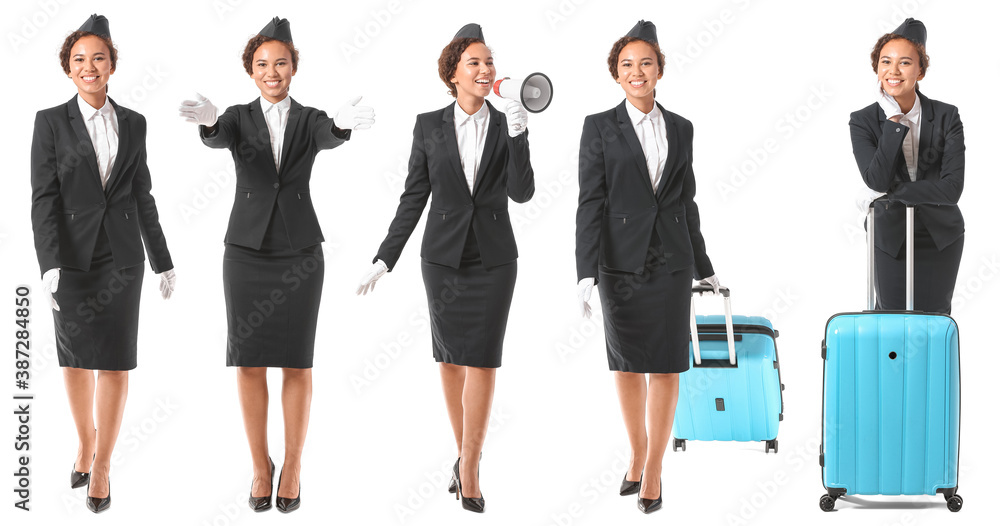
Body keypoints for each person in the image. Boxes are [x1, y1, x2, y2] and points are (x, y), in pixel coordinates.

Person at [177, 16, 374, 513]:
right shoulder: (239, 117)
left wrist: (343, 124)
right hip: (244, 252)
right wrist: (207, 121)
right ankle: (260, 465)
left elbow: (330, 135)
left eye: (280, 63)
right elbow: (219, 135)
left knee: (297, 361)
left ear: (293, 68)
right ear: (251, 69)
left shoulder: (309, 119)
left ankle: (293, 464)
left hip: (300, 252)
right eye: (262, 64)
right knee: (247, 362)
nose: (272, 71)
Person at [355, 23, 534, 514]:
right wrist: (384, 257)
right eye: (474, 62)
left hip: (495, 260)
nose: (485, 69)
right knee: (452, 358)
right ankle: (464, 456)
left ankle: (470, 467)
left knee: (483, 358)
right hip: (443, 261)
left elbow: (522, 192)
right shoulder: (428, 125)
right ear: (453, 72)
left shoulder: (506, 122)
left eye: (489, 61)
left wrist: (520, 135)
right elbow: (414, 197)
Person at [30, 14, 176, 514]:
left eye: (98, 58)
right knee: (73, 358)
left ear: (112, 65)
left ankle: (104, 464)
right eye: (79, 60)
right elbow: (43, 198)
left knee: (114, 359)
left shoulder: (134, 122)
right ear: (67, 70)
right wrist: (48, 261)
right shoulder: (50, 121)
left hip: (121, 258)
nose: (89, 66)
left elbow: (142, 193)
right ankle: (84, 443)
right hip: (69, 261)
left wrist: (163, 261)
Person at [575, 20, 721, 514]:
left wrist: (706, 266)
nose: (637, 72)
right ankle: (636, 451)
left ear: (660, 69)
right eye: (626, 65)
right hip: (619, 265)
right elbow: (589, 202)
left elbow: (686, 201)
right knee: (626, 364)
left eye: (645, 63)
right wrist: (584, 273)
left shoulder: (682, 127)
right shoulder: (599, 126)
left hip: (673, 264)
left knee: (665, 365)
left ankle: (654, 468)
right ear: (616, 75)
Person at [850, 18, 964, 314]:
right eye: (886, 62)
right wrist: (892, 123)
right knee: (891, 320)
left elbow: (951, 190)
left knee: (934, 322)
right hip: (890, 234)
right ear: (876, 68)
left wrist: (893, 192)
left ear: (920, 71)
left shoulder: (946, 116)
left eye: (905, 63)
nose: (894, 71)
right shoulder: (862, 120)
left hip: (940, 237)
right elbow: (876, 181)